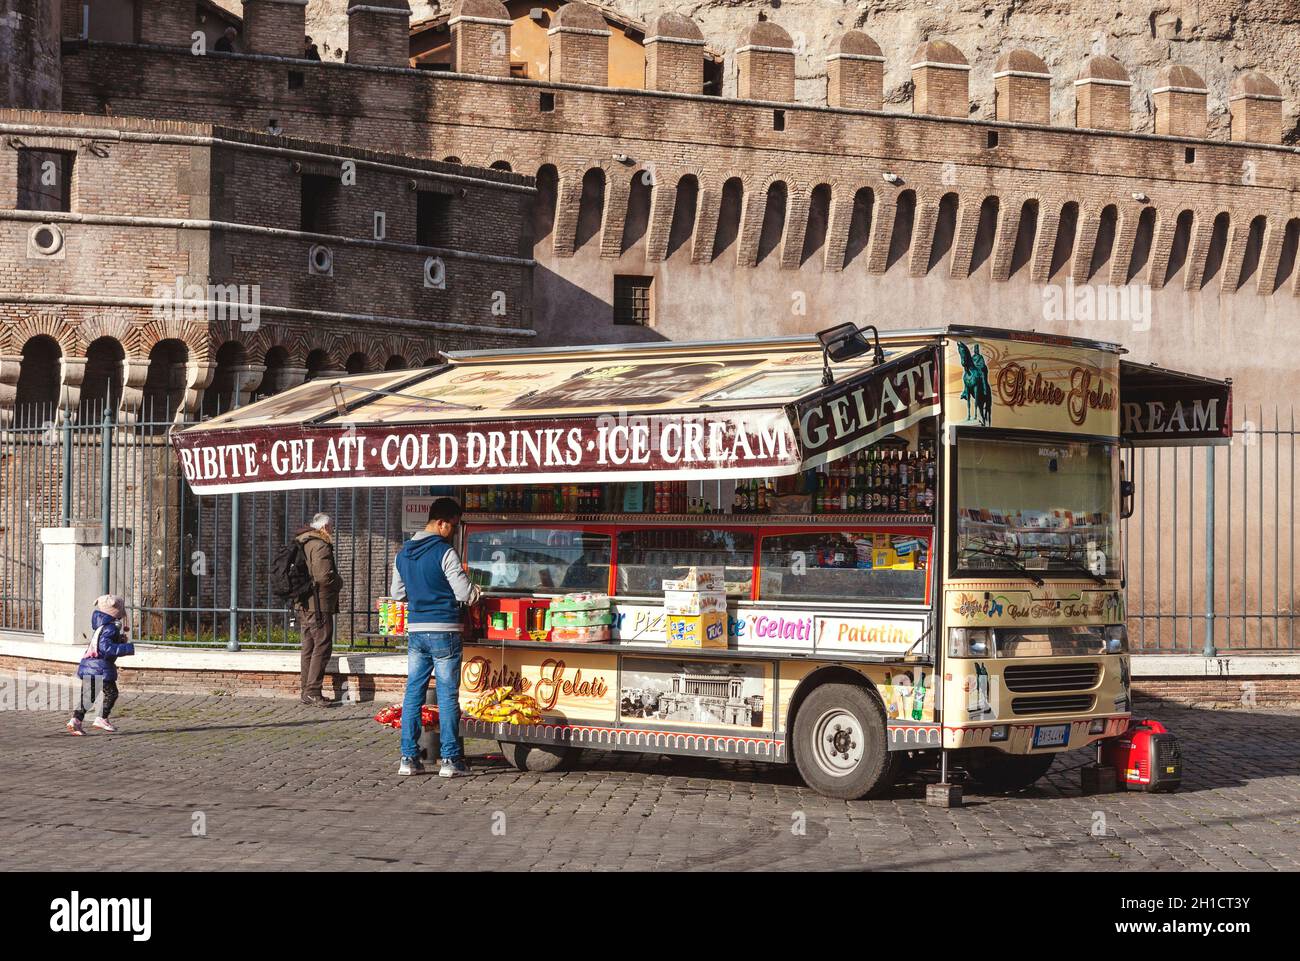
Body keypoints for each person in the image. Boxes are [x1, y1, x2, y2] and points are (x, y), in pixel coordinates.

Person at [390, 497, 480, 777]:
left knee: (413, 694)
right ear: (441, 522)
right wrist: (479, 592)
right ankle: (451, 760)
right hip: (445, 631)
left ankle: (408, 757)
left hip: (417, 631)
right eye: (453, 525)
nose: (453, 531)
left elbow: (397, 594)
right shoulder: (445, 552)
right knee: (447, 696)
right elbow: (464, 594)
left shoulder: (402, 553)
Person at [66, 595, 134, 735]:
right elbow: (106, 648)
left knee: (88, 696)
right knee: (112, 693)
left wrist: (119, 641)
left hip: (89, 666)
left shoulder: (101, 625)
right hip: (100, 668)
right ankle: (101, 718)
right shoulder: (110, 628)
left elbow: (102, 643)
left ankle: (75, 721)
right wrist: (126, 648)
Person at [296, 512, 343, 706]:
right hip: (319, 604)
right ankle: (314, 691)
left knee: (308, 646)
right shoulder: (320, 545)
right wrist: (339, 581)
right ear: (323, 528)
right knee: (322, 646)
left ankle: (306, 690)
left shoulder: (303, 542)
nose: (332, 531)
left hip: (304, 602)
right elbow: (324, 576)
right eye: (330, 527)